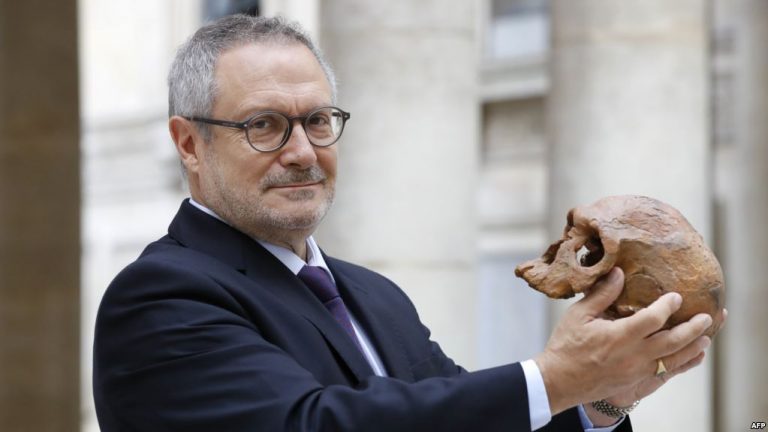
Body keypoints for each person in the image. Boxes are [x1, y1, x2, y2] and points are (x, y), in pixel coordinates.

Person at [93, 14, 720, 432]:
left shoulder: (374, 295)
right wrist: (556, 378)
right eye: (264, 125)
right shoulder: (158, 297)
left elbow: (465, 422)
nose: (303, 151)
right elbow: (312, 424)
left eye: (318, 120)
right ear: (190, 144)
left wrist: (601, 397)